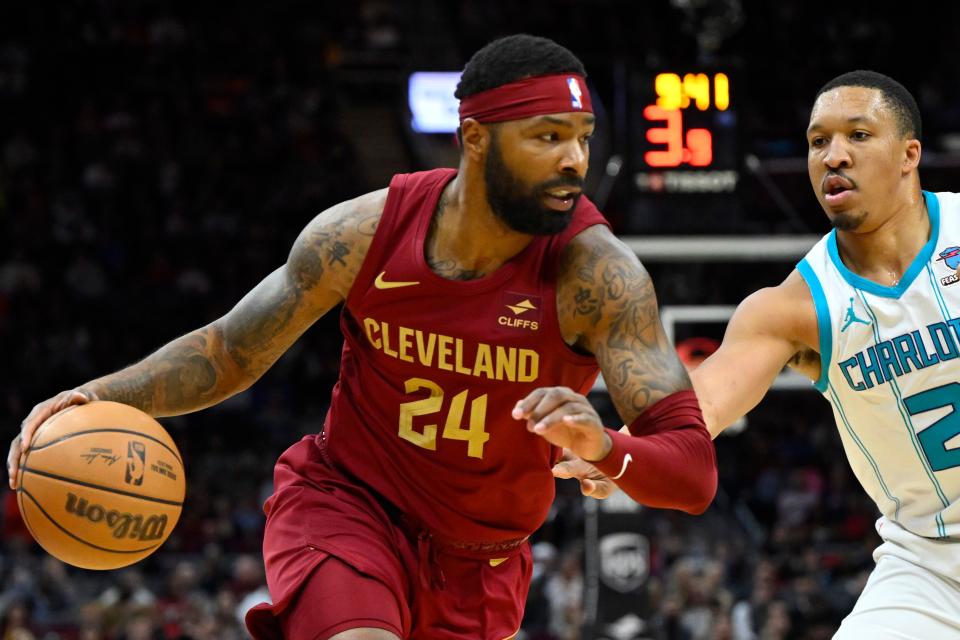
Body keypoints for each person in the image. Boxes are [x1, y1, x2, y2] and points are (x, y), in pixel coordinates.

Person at [8, 34, 717, 640]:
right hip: (348, 505)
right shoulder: (363, 233)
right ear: (474, 138)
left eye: (582, 138)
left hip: (483, 561)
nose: (574, 160)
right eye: (547, 137)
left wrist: (606, 447)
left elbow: (692, 472)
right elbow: (229, 350)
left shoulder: (598, 277)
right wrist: (95, 395)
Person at [551, 70, 960, 638]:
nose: (834, 156)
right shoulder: (791, 307)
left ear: (909, 154)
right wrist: (616, 448)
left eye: (858, 136)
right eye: (819, 142)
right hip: (930, 563)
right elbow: (702, 407)